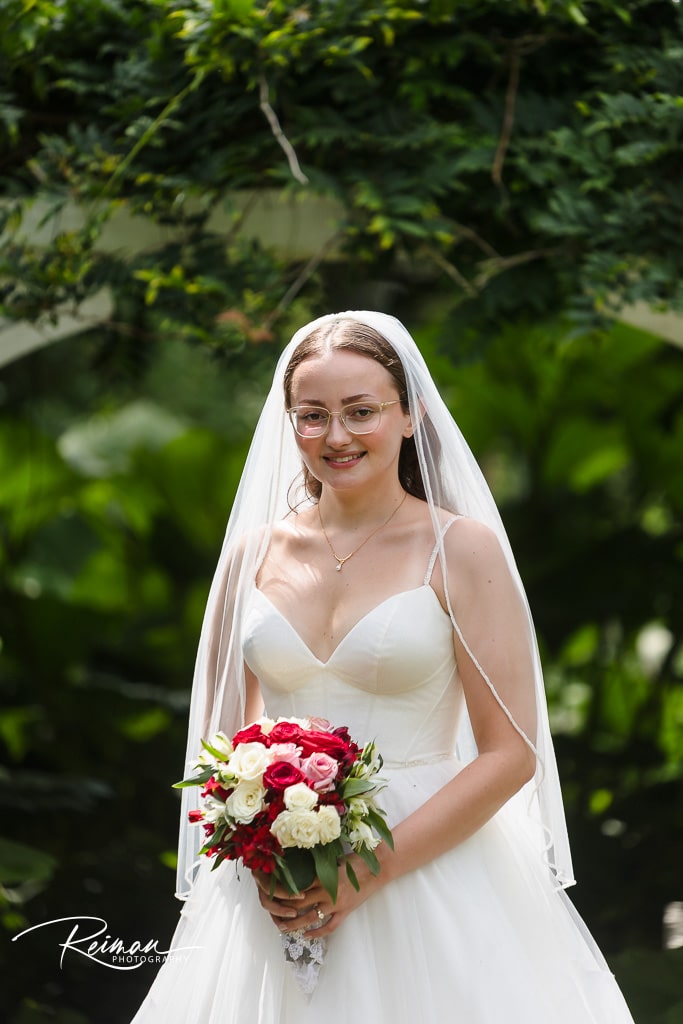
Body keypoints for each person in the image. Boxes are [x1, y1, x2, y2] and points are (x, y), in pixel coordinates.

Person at [131, 311, 635, 1023]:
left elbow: (510, 753)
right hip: (277, 878)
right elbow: (219, 748)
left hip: (431, 867)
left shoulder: (460, 550)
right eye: (312, 415)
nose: (335, 436)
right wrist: (259, 849)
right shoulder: (250, 557)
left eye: (360, 411)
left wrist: (365, 874)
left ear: (409, 416)